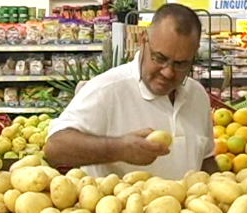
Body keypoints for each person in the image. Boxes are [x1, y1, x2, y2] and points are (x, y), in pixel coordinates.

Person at [44, 3, 217, 180]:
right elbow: (55, 147)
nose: (168, 72)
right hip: (117, 207)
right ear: (143, 42)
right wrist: (119, 149)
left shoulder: (197, 96)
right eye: (160, 58)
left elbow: (206, 159)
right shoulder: (107, 89)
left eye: (181, 64)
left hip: (187, 206)